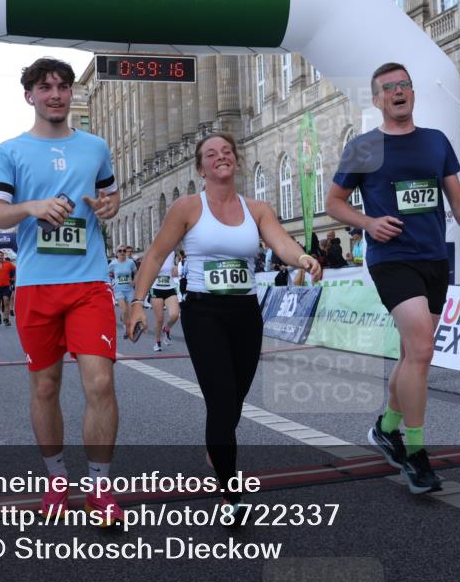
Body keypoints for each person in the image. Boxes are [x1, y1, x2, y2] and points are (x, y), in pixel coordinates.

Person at [126, 133, 321, 517]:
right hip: (204, 313)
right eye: (211, 154)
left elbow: (281, 243)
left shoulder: (258, 208)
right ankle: (231, 495)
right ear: (201, 167)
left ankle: (217, 446)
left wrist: (302, 259)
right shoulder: (187, 207)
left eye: (227, 152)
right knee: (220, 401)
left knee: (235, 400)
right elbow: (154, 257)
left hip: (245, 312)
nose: (221, 158)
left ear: (236, 161)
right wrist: (138, 302)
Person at [325, 62, 460, 494]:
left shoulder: (436, 142)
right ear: (377, 99)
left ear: (412, 93)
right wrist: (368, 223)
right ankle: (415, 453)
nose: (399, 92)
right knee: (421, 347)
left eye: (404, 85)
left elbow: (456, 196)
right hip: (391, 258)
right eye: (389, 87)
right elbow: (334, 202)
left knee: (412, 356)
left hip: (434, 256)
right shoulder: (364, 147)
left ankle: (386, 427)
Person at [0, 57, 123, 523]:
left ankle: (101, 488)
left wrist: (107, 207)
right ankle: (57, 480)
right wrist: (31, 207)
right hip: (37, 286)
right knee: (45, 386)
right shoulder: (10, 151)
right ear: (30, 96)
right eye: (46, 87)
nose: (56, 94)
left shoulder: (96, 146)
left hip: (89, 283)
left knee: (100, 382)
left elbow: (111, 198)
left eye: (62, 86)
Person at [150, 250, 180, 352]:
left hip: (170, 288)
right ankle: (157, 342)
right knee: (159, 318)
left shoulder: (172, 252)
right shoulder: (153, 252)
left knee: (175, 315)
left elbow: (177, 260)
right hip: (156, 289)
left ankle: (166, 328)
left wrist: (176, 266)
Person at [108, 245, 137, 328]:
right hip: (118, 290)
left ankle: (124, 318)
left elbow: (136, 272)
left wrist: (134, 281)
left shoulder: (130, 262)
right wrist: (110, 283)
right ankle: (126, 326)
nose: (122, 252)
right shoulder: (113, 263)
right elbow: (107, 274)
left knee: (130, 310)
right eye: (120, 251)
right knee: (124, 310)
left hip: (129, 289)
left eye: (124, 250)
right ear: (117, 253)